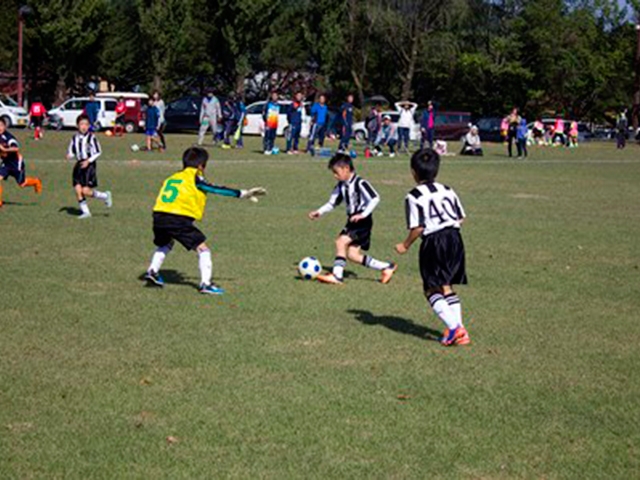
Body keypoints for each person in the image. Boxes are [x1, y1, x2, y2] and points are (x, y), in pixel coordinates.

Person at [144, 147, 266, 294]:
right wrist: (241, 193)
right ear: (201, 165)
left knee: (167, 243)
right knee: (203, 249)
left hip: (158, 216)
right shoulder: (195, 175)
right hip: (177, 218)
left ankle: (152, 271)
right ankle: (205, 284)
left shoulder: (173, 177)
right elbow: (213, 188)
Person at [394, 148, 470, 346]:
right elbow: (461, 217)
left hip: (434, 241)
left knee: (431, 289)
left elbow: (418, 228)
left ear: (413, 172)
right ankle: (460, 331)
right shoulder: (447, 189)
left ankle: (455, 328)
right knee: (447, 285)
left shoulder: (413, 196)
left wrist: (405, 245)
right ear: (436, 171)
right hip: (455, 238)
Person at [308, 153, 397, 285]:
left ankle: (337, 276)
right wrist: (319, 212)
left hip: (362, 221)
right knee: (352, 255)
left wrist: (363, 214)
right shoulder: (340, 186)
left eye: (336, 172)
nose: (335, 176)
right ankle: (386, 267)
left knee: (340, 242)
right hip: (352, 221)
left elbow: (375, 198)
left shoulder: (361, 183)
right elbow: (332, 203)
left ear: (346, 169)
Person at [66, 114, 112, 219]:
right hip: (78, 165)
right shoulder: (74, 138)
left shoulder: (92, 137)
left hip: (89, 166)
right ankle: (86, 212)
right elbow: (72, 150)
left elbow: (98, 151)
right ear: (77, 125)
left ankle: (105, 196)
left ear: (89, 126)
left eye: (86, 124)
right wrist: (70, 154)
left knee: (85, 191)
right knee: (78, 190)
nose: (84, 126)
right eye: (81, 124)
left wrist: (88, 160)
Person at [0, 118, 42, 207]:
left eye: (1, 125)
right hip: (6, 163)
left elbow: (16, 148)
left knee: (22, 184)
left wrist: (4, 149)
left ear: (5, 126)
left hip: (16, 163)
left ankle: (36, 181)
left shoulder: (8, 137)